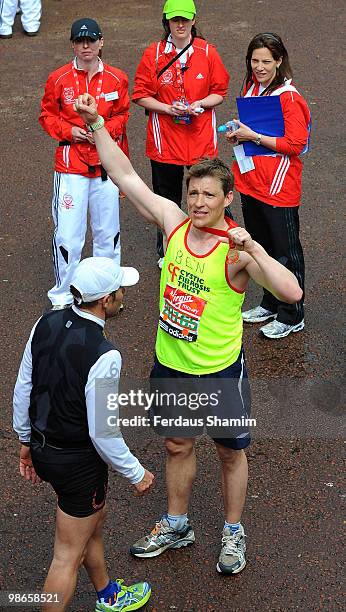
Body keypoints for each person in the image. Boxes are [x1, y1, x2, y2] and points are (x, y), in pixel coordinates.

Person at [74, 92, 303, 575]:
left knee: (229, 452)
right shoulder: (174, 224)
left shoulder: (235, 254)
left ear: (227, 199)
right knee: (178, 445)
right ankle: (177, 523)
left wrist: (256, 248)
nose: (198, 203)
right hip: (172, 367)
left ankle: (233, 531)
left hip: (220, 372)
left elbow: (292, 291)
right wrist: (96, 125)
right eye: (193, 193)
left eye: (208, 195)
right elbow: (126, 176)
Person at [13, 257, 154, 612]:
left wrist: (25, 442)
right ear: (106, 300)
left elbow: (24, 386)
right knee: (65, 558)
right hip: (78, 464)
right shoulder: (104, 354)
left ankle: (107, 594)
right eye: (120, 289)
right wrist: (136, 473)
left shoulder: (44, 322)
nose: (123, 294)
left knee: (92, 521)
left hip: (45, 449)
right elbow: (103, 431)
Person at [39, 18, 130, 309]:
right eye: (80, 41)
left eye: (91, 40)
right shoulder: (58, 78)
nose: (86, 45)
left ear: (101, 42)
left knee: (108, 234)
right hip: (71, 167)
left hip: (105, 167)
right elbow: (47, 116)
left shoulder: (117, 78)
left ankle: (108, 293)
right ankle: (63, 295)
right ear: (72, 45)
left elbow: (123, 115)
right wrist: (70, 131)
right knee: (68, 236)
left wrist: (101, 128)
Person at [132, 0, 229, 268]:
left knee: (209, 193)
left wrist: (200, 104)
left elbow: (219, 91)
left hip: (200, 138)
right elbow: (140, 94)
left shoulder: (208, 52)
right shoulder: (153, 54)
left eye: (185, 19)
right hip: (166, 139)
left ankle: (215, 245)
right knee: (167, 198)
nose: (181, 25)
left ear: (194, 19)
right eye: (175, 20)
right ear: (167, 22)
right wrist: (167, 108)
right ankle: (169, 250)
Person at [225, 32, 310, 339]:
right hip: (251, 183)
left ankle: (292, 314)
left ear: (279, 61)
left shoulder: (289, 97)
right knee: (260, 250)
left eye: (265, 61)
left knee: (286, 253)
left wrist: (254, 137)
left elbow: (297, 144)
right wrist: (239, 132)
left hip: (279, 189)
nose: (259, 67)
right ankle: (270, 302)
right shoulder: (251, 86)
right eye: (254, 60)